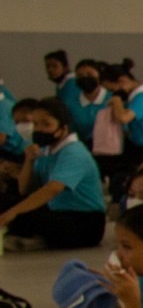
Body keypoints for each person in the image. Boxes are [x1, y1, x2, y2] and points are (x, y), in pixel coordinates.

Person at [0, 98, 106, 251]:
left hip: (83, 221)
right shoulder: (46, 150)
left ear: (62, 128)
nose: (39, 130)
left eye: (46, 124)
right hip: (56, 210)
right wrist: (28, 161)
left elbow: (53, 188)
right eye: (36, 124)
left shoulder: (73, 152)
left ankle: (34, 238)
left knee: (23, 215)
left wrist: (13, 212)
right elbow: (24, 189)